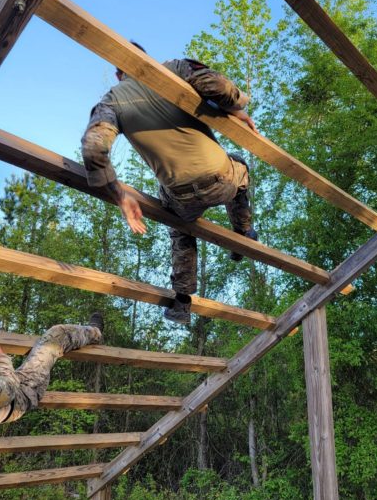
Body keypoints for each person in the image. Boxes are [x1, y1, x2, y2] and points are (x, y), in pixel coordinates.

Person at [81, 42, 258, 323]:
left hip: (180, 195)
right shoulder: (173, 69)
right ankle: (244, 234)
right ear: (146, 58)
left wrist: (119, 196)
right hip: (221, 178)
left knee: (179, 228)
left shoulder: (110, 101)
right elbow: (216, 85)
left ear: (118, 74)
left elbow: (93, 147)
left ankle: (182, 303)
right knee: (241, 166)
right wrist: (236, 106)